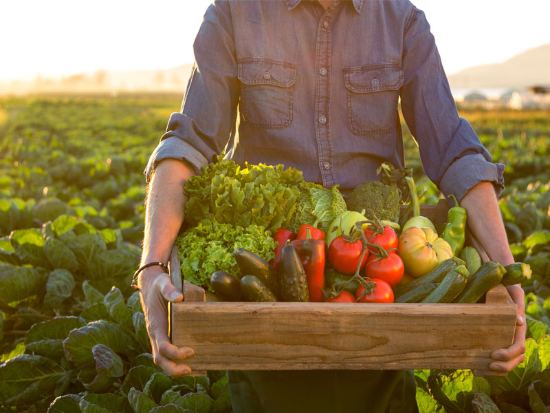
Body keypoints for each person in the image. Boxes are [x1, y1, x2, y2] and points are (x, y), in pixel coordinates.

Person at [136, 0, 526, 411]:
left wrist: (507, 275)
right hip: (267, 284)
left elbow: (454, 152)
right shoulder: (235, 13)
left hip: (377, 277)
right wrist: (151, 267)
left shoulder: (401, 20)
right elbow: (188, 144)